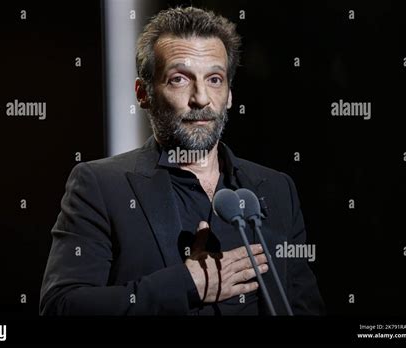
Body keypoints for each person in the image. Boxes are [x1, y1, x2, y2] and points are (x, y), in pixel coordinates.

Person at [40, 6, 324, 315]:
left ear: (229, 94)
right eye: (179, 79)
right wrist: (187, 284)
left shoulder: (277, 189)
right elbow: (61, 306)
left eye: (215, 79)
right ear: (143, 93)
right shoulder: (100, 186)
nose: (201, 98)